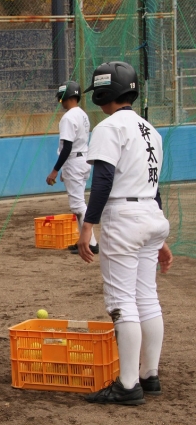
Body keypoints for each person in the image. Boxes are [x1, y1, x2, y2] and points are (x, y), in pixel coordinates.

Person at [77, 62, 173, 405]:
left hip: (125, 218)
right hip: (151, 215)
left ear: (106, 92)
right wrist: (160, 238)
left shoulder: (108, 127)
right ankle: (149, 375)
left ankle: (128, 385)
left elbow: (103, 180)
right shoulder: (151, 130)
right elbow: (153, 186)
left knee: (122, 302)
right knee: (147, 297)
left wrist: (87, 224)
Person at [45, 81, 98, 255]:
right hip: (83, 160)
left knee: (78, 205)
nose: (59, 102)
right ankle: (84, 241)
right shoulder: (82, 114)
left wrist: (55, 170)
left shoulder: (68, 117)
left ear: (65, 97)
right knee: (79, 203)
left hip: (75, 161)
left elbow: (67, 147)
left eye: (60, 98)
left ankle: (91, 243)